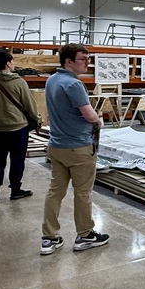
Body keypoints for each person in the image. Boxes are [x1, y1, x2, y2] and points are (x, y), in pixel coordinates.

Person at [40, 43, 108, 255]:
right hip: (78, 147)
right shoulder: (73, 84)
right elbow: (89, 114)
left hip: (57, 145)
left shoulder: (52, 80)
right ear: (69, 61)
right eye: (83, 59)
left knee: (55, 192)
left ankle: (49, 238)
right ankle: (85, 235)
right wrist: (99, 121)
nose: (87, 63)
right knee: (83, 192)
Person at [0, 50, 41, 202]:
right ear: (7, 64)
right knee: (17, 159)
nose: (14, 64)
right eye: (12, 61)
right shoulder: (19, 82)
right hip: (18, 128)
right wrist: (37, 119)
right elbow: (30, 105)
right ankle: (15, 190)